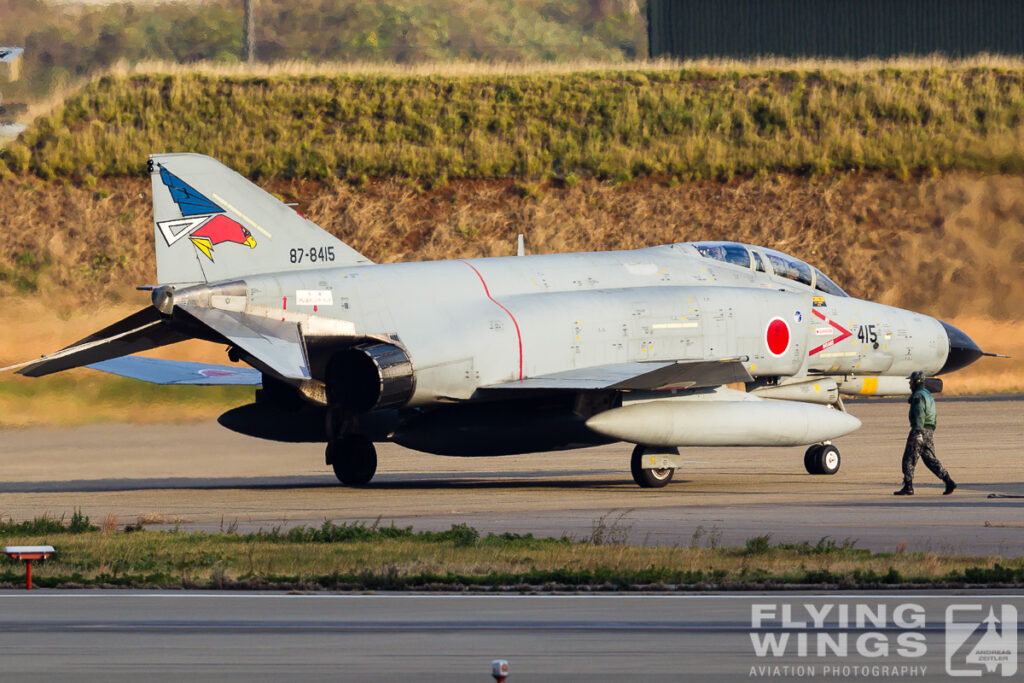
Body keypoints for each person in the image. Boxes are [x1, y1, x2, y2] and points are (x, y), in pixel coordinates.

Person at [894, 371, 956, 496]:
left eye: (911, 381)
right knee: (930, 460)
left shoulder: (918, 396)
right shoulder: (928, 394)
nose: (909, 383)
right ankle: (948, 481)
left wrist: (918, 432)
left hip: (919, 430)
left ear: (917, 382)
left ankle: (908, 486)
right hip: (929, 431)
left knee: (909, 459)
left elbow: (919, 414)